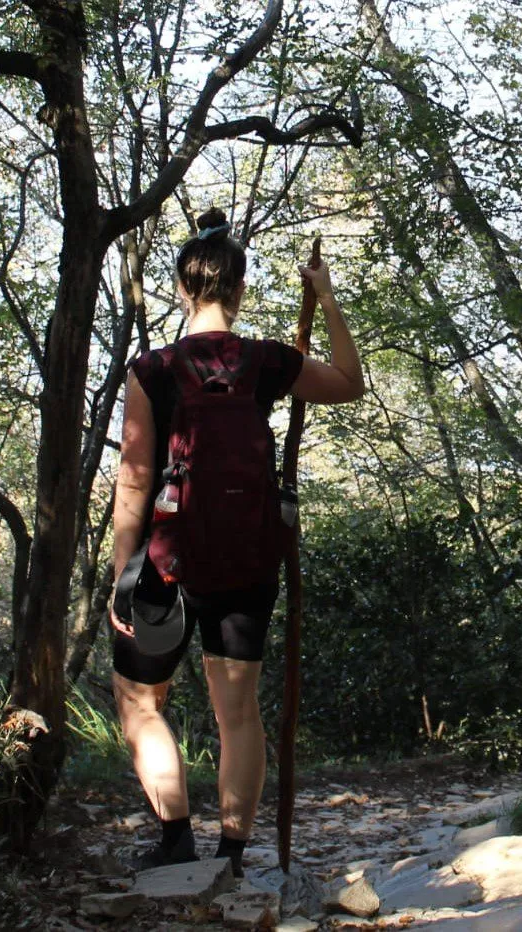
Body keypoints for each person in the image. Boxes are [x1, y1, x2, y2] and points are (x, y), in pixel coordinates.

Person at [109, 207, 364, 874]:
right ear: (240, 290)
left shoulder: (153, 369)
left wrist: (121, 574)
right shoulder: (267, 363)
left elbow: (134, 482)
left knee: (140, 703)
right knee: (238, 712)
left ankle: (173, 840)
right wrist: (326, 297)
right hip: (249, 559)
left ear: (181, 288)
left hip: (166, 562)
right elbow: (348, 383)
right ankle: (231, 854)